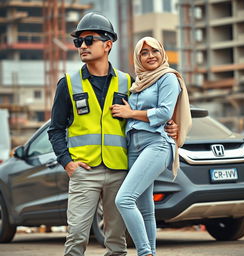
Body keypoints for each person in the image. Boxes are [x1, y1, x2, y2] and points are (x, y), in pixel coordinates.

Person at [48, 13, 179, 256]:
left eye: (89, 40)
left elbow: (148, 116)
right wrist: (67, 164)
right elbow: (55, 129)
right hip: (84, 171)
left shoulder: (128, 83)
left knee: (117, 243)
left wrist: (170, 126)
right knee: (76, 237)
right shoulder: (68, 83)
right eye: (79, 42)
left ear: (108, 45)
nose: (83, 46)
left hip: (120, 170)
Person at [112, 37, 192, 256]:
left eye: (154, 51)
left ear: (162, 52)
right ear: (138, 58)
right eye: (144, 53)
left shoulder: (168, 78)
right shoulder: (137, 83)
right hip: (134, 146)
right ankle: (151, 253)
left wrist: (131, 113)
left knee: (124, 199)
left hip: (156, 144)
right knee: (145, 207)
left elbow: (165, 112)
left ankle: (144, 252)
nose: (150, 56)